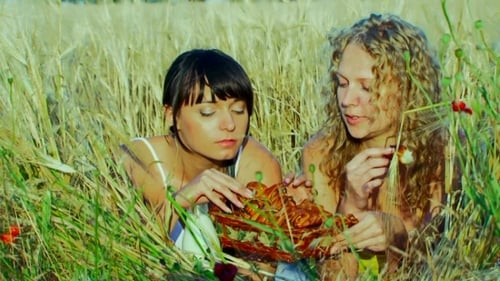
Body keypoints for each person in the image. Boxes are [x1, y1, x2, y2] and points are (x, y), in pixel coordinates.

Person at [284, 13, 448, 280]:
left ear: (407, 87)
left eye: (367, 87)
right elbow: (335, 276)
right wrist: (349, 204)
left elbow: (442, 265)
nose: (347, 100)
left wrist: (397, 236)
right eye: (342, 83)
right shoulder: (322, 154)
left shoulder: (442, 152)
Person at [120, 49, 282, 279]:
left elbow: (260, 274)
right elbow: (127, 258)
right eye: (208, 112)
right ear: (171, 115)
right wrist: (182, 200)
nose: (229, 124)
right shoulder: (141, 162)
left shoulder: (255, 164)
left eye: (238, 110)